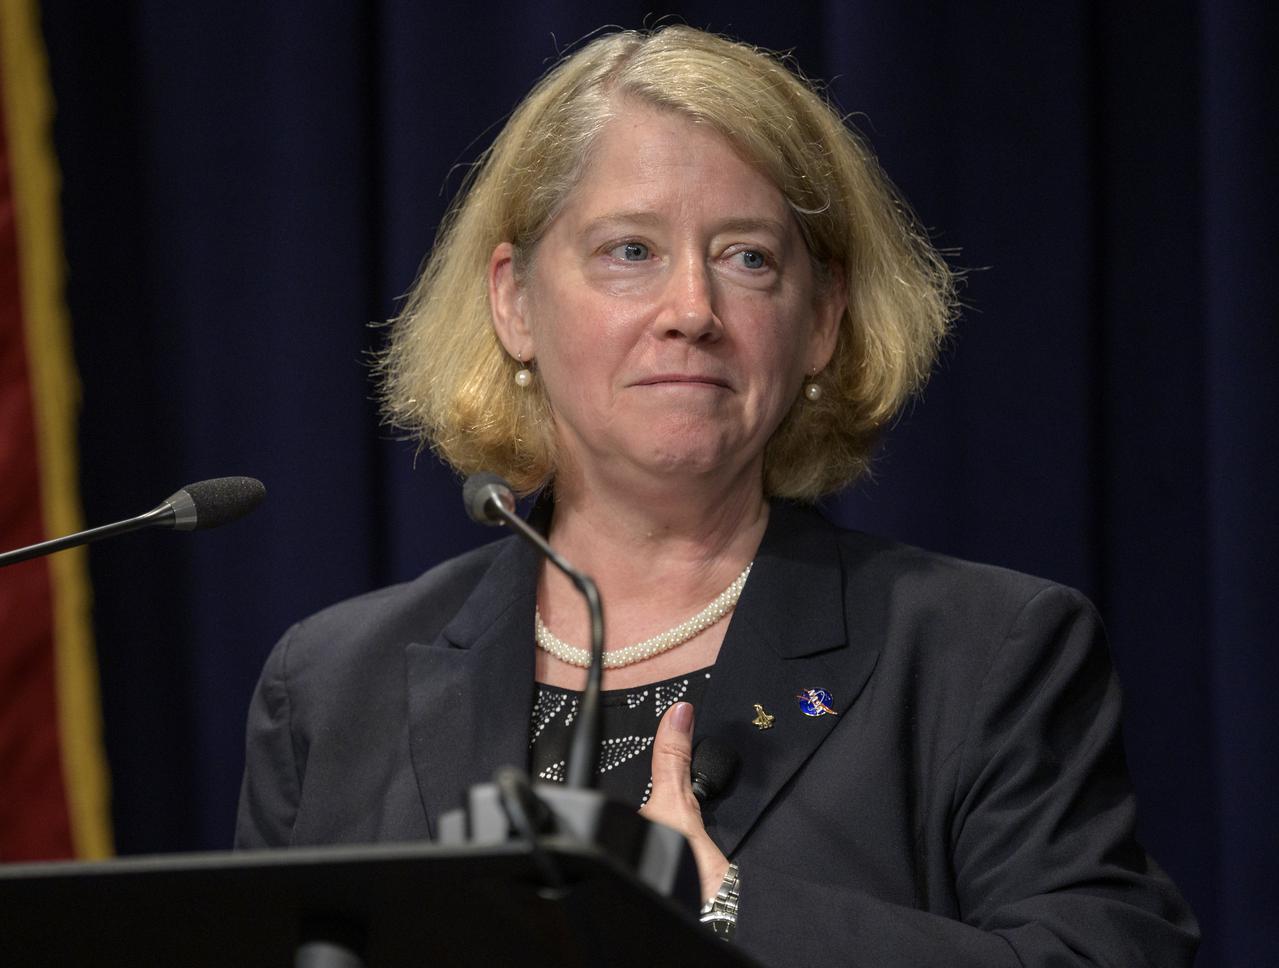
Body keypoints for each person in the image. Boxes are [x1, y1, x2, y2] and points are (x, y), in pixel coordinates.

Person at [236, 26, 1198, 967]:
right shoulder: (332, 686)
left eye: (747, 258)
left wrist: (726, 908)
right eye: (629, 251)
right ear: (515, 302)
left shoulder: (981, 652)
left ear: (819, 320)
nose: (691, 312)